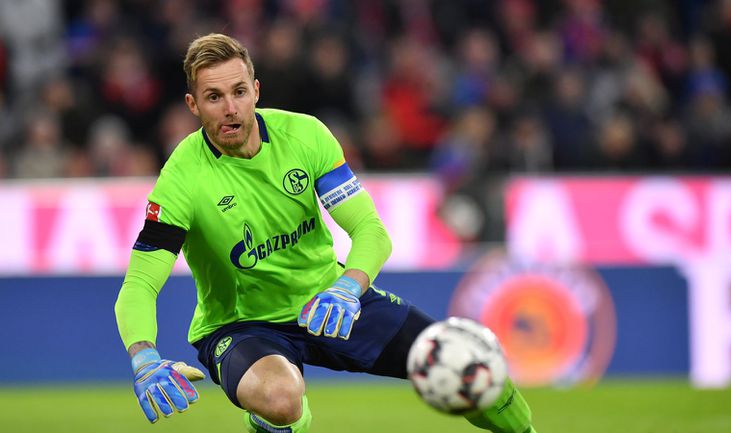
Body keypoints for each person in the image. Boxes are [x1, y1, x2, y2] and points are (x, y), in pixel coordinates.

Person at [114, 33, 536, 433]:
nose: (230, 108)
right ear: (193, 105)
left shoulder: (305, 136)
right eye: (213, 97)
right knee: (281, 398)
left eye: (239, 92)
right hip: (242, 326)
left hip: (330, 301)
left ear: (256, 91)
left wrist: (348, 287)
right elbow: (140, 283)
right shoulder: (181, 179)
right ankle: (277, 419)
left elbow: (370, 230)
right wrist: (144, 356)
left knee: (469, 364)